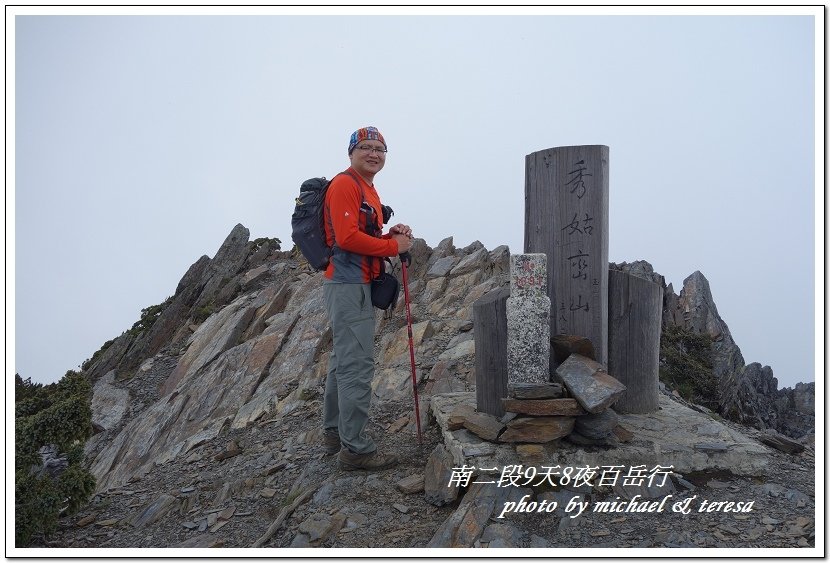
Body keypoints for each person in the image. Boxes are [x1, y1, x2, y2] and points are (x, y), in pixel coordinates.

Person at [321, 126, 413, 471]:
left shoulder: (368, 188)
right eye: (366, 148)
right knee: (356, 367)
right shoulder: (345, 184)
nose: (374, 154)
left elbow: (362, 231)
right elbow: (346, 238)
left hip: (352, 283)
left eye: (380, 149)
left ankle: (334, 433)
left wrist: (392, 233)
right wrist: (393, 247)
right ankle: (356, 450)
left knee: (341, 361)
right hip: (348, 285)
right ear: (351, 153)